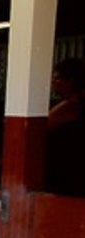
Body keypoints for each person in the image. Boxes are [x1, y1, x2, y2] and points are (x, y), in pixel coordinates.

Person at [46, 58, 85, 196]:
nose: (53, 82)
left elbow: (41, 128)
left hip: (65, 173)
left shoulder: (72, 106)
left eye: (57, 78)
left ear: (71, 81)